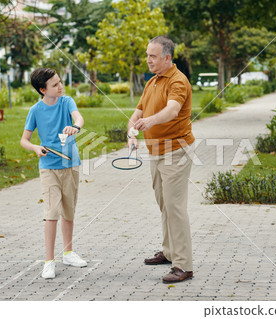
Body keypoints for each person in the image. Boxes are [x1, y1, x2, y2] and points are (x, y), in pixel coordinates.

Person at [127, 35, 195, 283]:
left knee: (175, 207)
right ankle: (169, 252)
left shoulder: (178, 81)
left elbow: (172, 110)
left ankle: (183, 265)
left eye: (153, 56)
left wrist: (150, 121)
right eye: (147, 55)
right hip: (156, 152)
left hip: (176, 151)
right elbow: (137, 113)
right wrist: (132, 132)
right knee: (164, 204)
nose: (148, 60)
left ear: (167, 57)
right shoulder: (152, 82)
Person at [20, 68, 87, 279]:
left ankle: (68, 252)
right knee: (51, 213)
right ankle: (49, 261)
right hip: (48, 167)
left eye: (60, 82)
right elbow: (24, 140)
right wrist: (35, 148)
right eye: (55, 85)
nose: (60, 86)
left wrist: (75, 127)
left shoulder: (67, 102)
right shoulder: (35, 111)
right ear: (43, 89)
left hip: (70, 165)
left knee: (69, 211)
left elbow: (79, 118)